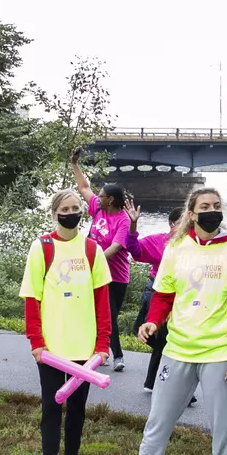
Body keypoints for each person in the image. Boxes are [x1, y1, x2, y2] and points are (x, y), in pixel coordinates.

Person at [105, 187, 227, 455]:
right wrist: (153, 322)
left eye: (217, 205)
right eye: (205, 206)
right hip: (177, 349)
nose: (212, 210)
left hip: (218, 352)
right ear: (191, 213)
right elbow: (163, 296)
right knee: (158, 421)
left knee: (222, 426)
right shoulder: (176, 248)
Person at [19, 190, 111, 455]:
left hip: (84, 345)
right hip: (52, 348)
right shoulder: (42, 247)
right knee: (50, 405)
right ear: (54, 213)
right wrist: (36, 340)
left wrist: (103, 342)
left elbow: (102, 300)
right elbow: (32, 298)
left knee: (77, 407)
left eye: (76, 208)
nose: (71, 213)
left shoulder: (92, 249)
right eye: (65, 208)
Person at [70, 148, 130, 371]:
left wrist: (92, 259)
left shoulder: (122, 220)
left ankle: (118, 356)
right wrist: (75, 164)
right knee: (91, 310)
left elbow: (115, 247)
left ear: (111, 200)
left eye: (102, 196)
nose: (97, 198)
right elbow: (84, 187)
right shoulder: (99, 209)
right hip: (93, 271)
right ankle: (99, 350)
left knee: (110, 315)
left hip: (116, 276)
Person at [123, 203, 188, 396]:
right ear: (171, 224)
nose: (184, 227)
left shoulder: (194, 246)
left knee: (166, 341)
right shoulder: (160, 241)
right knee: (146, 333)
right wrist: (133, 225)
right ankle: (162, 380)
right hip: (156, 292)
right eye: (180, 223)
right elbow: (134, 249)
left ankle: (155, 382)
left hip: (180, 296)